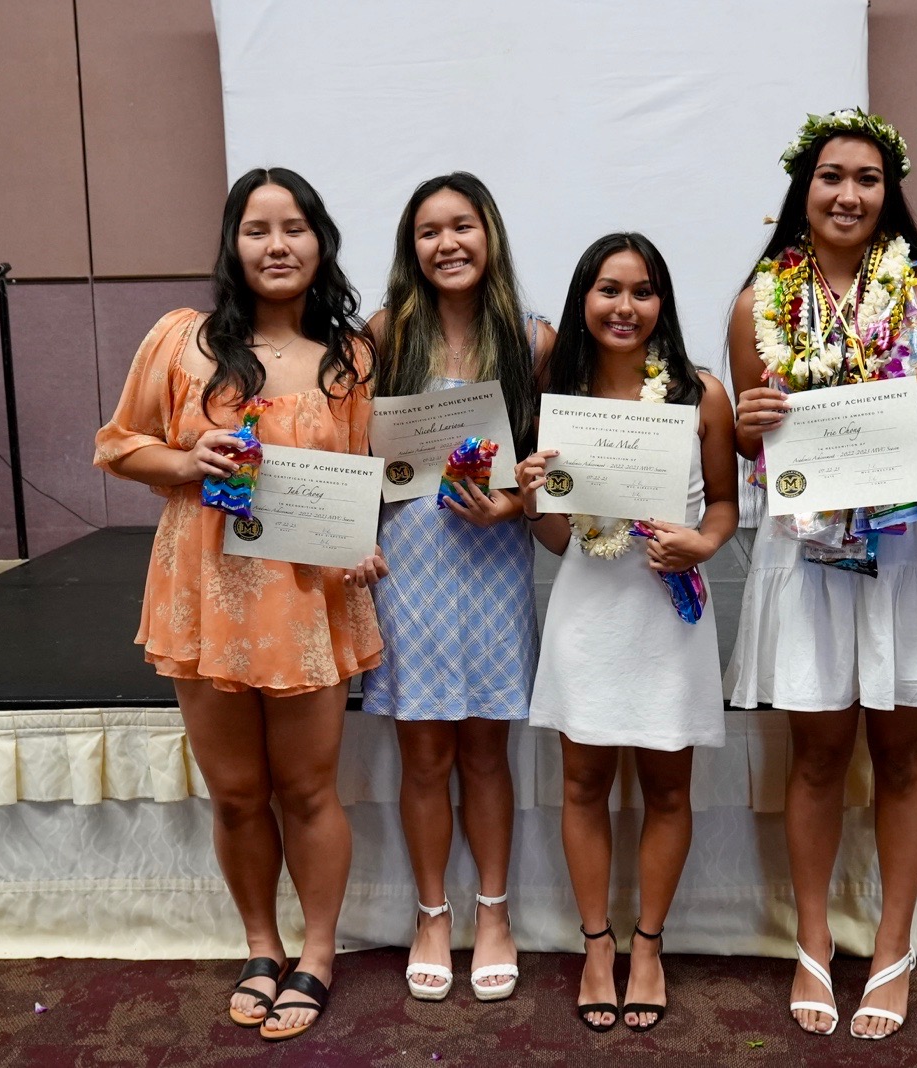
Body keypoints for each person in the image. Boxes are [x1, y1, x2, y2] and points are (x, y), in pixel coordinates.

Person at [724, 109, 917, 1040]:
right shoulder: (757, 302)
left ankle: (893, 947)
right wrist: (750, 424)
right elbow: (745, 441)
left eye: (866, 178)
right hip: (810, 549)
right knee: (814, 756)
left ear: (888, 191)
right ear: (801, 190)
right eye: (830, 177)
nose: (847, 193)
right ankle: (813, 940)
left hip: (911, 546)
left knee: (901, 755)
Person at [94, 167, 386, 1042]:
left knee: (307, 789)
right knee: (234, 793)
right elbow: (118, 445)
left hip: (307, 596)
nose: (277, 246)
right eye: (257, 229)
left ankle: (320, 953)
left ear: (320, 241)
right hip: (204, 593)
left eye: (294, 228)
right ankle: (261, 945)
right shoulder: (181, 340)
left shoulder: (350, 359)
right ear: (233, 243)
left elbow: (362, 477)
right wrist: (189, 459)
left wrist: (360, 537)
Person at [515, 232, 738, 1033]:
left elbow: (723, 504)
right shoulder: (558, 400)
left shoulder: (698, 394)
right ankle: (597, 946)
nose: (625, 306)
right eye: (609, 290)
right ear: (584, 300)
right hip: (588, 614)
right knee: (582, 785)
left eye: (643, 292)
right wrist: (537, 496)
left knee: (668, 789)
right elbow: (552, 541)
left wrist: (704, 543)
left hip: (666, 615)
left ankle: (649, 945)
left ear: (662, 305)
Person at [360, 172, 552, 1002]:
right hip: (411, 565)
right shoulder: (381, 336)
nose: (448, 244)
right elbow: (356, 463)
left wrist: (513, 502)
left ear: (490, 235)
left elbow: (554, 468)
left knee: (485, 753)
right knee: (423, 752)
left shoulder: (534, 340)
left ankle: (496, 912)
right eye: (429, 231)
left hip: (493, 561)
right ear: (413, 248)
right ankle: (432, 913)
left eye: (462, 226)